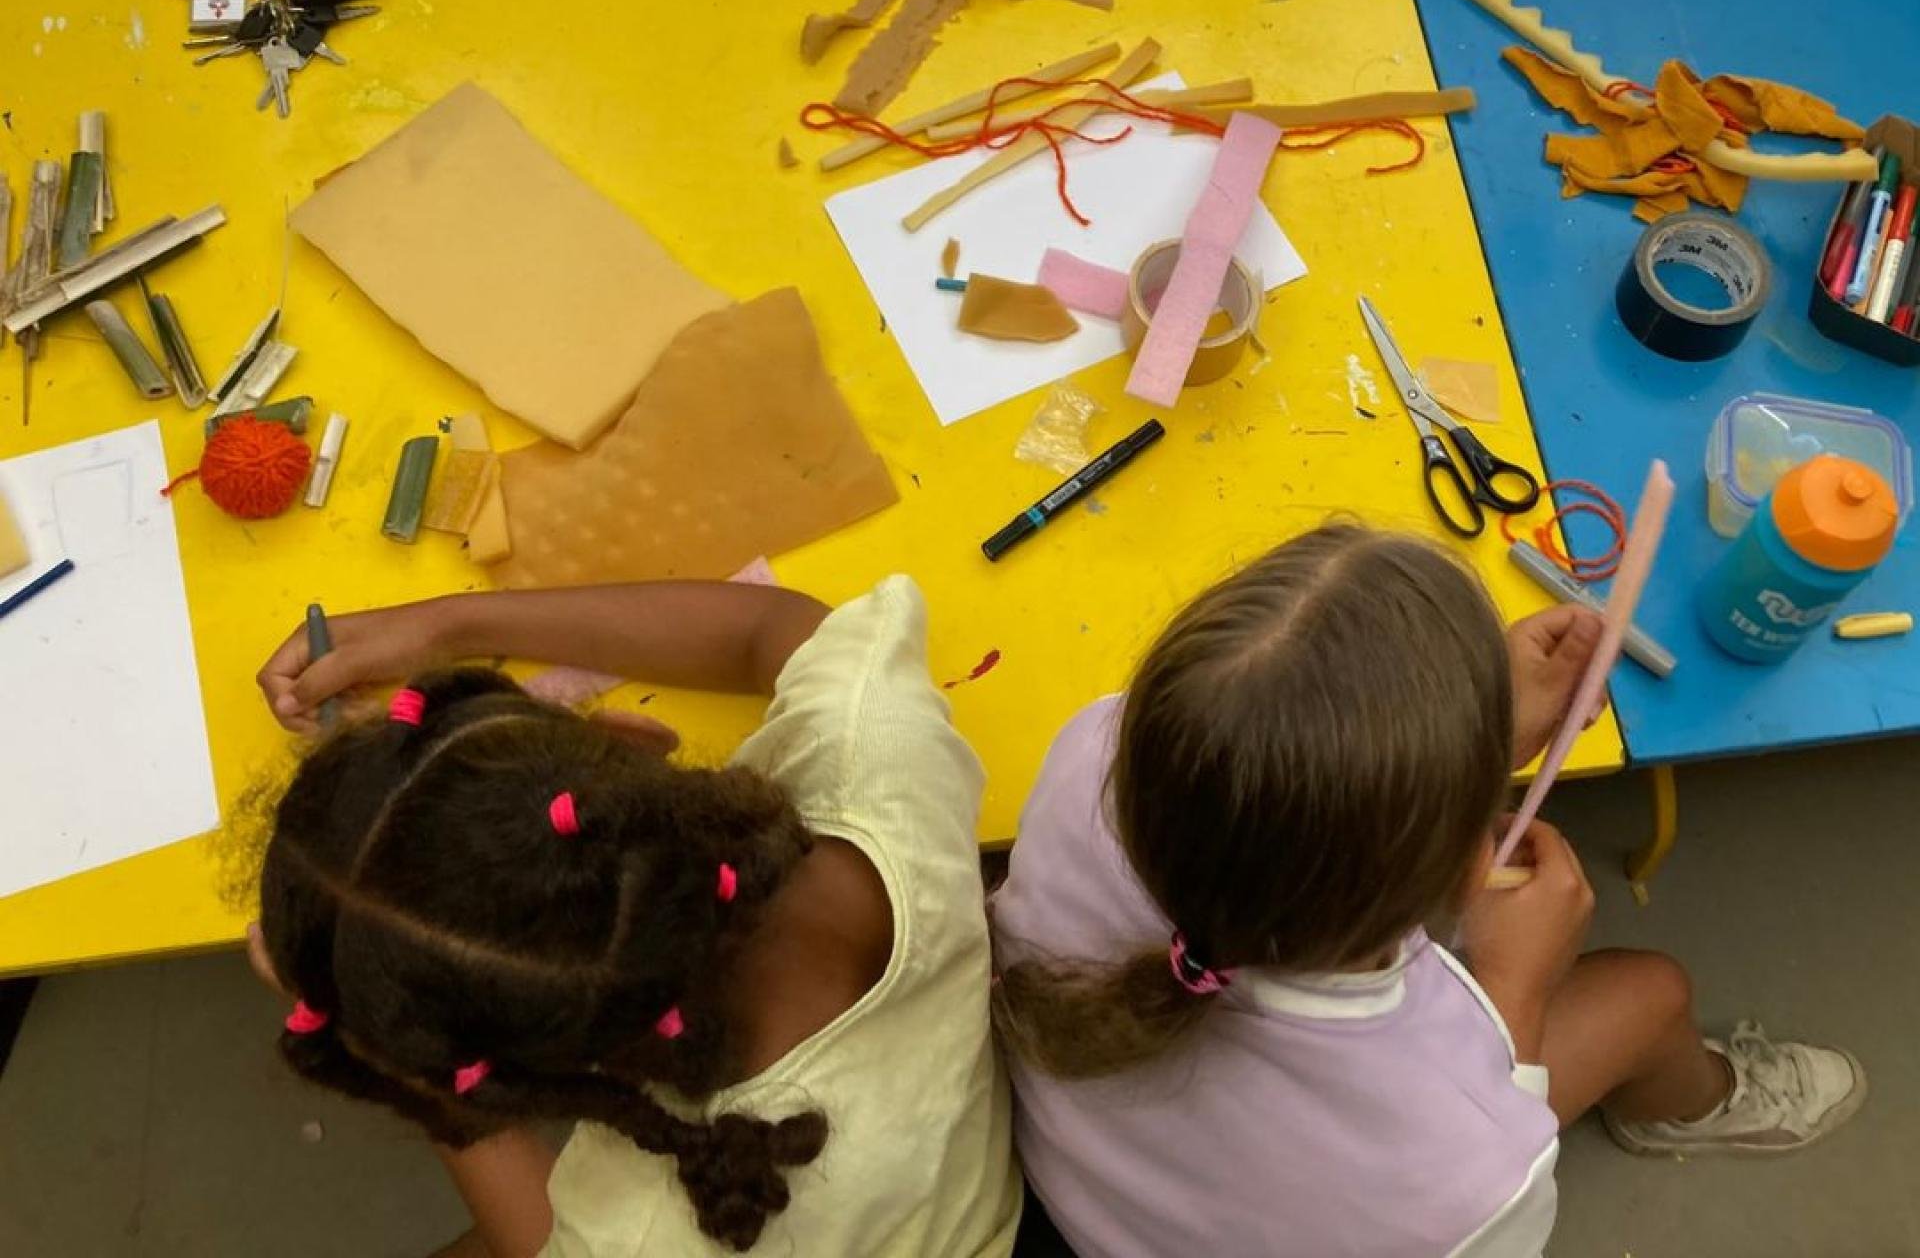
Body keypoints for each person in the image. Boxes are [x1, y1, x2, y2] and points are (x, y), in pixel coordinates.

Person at [989, 524, 1866, 1257]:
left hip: (1077, 1186)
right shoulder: (1467, 1177)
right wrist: (1515, 992)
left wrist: (1458, 743)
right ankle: (1691, 1104)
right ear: (1470, 869)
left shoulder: (1095, 749)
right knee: (1651, 994)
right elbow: (1488, 1145)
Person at [247, 577, 1020, 1257]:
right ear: (635, 735)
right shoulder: (883, 766)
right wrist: (455, 623)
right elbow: (776, 629)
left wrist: (414, 1077)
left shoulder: (641, 1231)